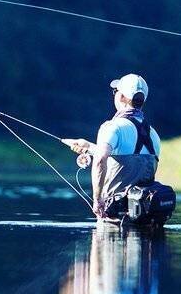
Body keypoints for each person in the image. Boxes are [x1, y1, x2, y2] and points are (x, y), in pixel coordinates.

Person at [62, 73, 162, 220]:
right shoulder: (154, 134)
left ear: (121, 97)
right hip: (146, 218)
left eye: (115, 91)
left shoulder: (112, 127)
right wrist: (89, 147)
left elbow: (101, 159)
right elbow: (127, 153)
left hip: (115, 217)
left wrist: (97, 201)